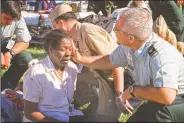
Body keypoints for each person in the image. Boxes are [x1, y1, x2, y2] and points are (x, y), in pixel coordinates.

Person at [72, 8, 184, 122]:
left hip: (177, 101)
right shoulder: (129, 46)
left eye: (117, 29)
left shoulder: (160, 55)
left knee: (158, 116)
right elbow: (109, 60)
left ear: (130, 37)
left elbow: (167, 96)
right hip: (161, 100)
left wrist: (132, 91)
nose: (114, 30)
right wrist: (80, 59)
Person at [48, 4, 126, 120]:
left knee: (104, 118)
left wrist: (119, 95)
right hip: (96, 75)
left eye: (54, 26)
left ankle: (101, 105)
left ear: (62, 23)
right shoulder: (71, 35)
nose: (55, 30)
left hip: (113, 80)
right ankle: (87, 102)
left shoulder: (88, 31)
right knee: (65, 74)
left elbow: (118, 64)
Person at [1, 1, 33, 90]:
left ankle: (5, 87)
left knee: (25, 58)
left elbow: (25, 41)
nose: (10, 23)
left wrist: (10, 53)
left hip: (4, 44)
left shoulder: (18, 17)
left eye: (13, 19)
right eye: (7, 18)